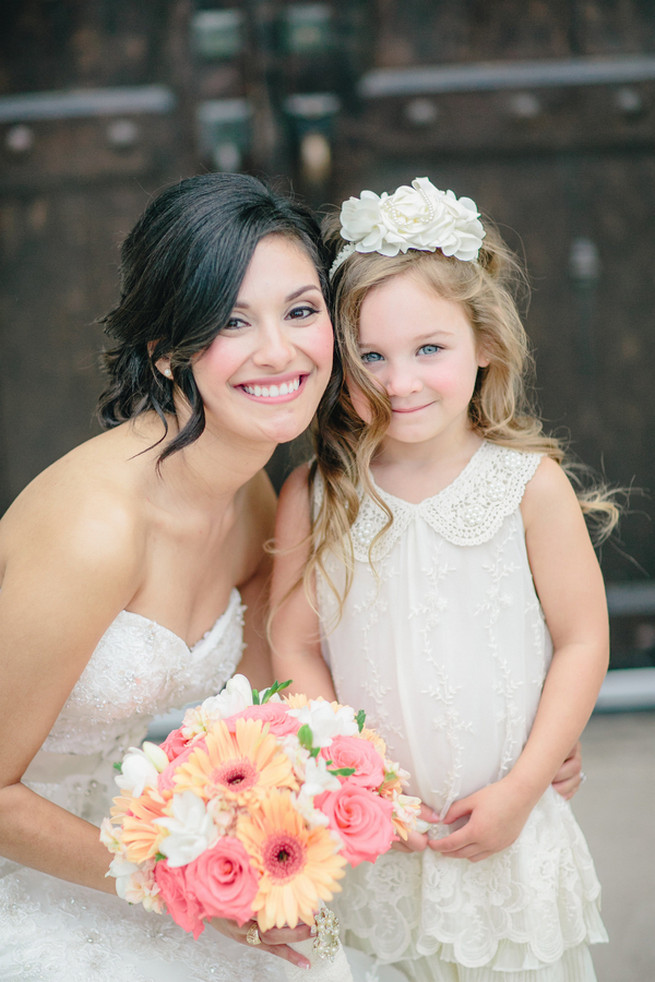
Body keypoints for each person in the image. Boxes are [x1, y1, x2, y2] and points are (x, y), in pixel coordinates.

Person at [270, 177, 617, 981]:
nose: (400, 383)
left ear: (484, 341)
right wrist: (356, 779)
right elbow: (293, 640)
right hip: (379, 836)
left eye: (429, 349)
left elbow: (581, 637)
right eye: (371, 358)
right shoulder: (316, 493)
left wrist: (528, 782)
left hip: (506, 825)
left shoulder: (525, 484)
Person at [0, 172, 340, 980]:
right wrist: (191, 887)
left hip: (110, 839)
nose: (279, 351)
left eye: (300, 310)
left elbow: (261, 723)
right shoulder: (99, 527)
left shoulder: (250, 492)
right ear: (167, 348)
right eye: (231, 322)